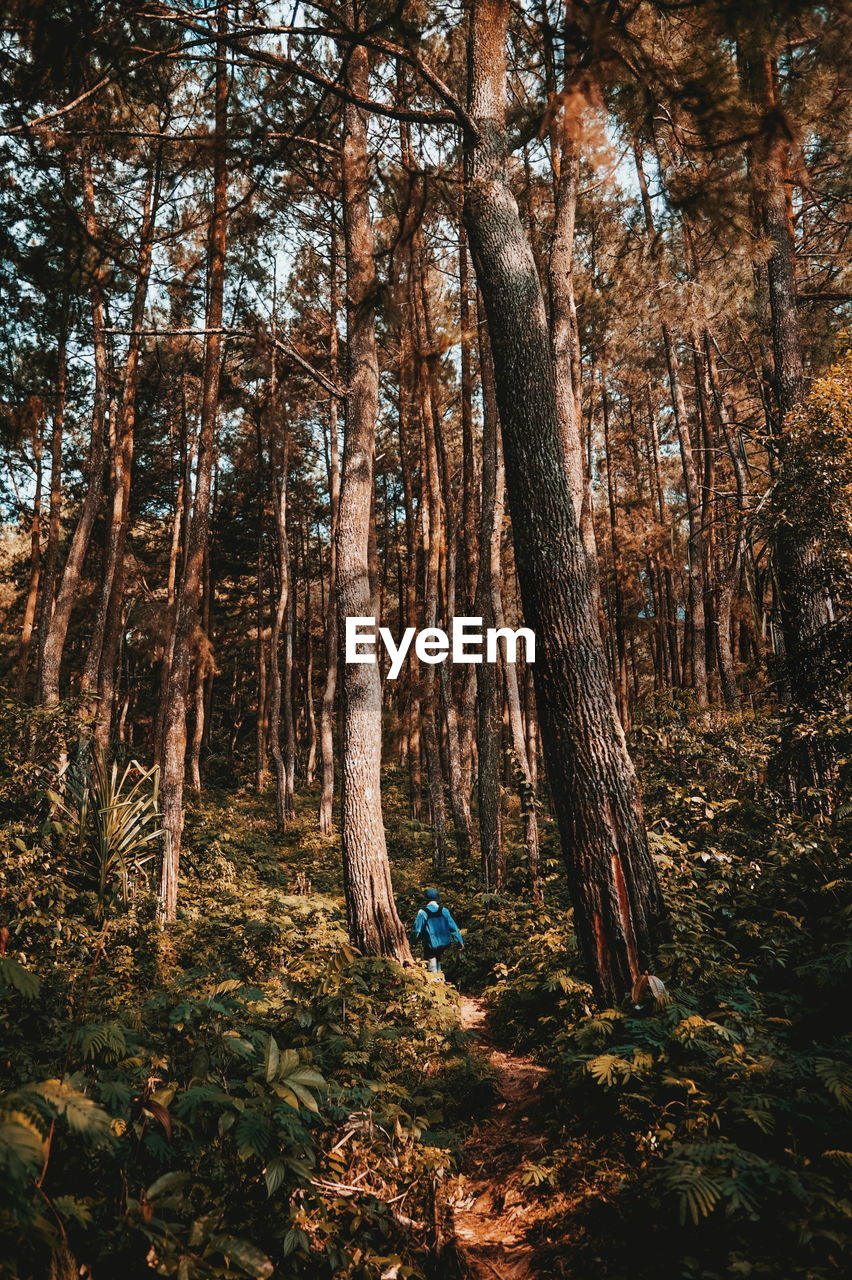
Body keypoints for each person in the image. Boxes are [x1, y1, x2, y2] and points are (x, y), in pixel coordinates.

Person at [411, 888, 464, 973]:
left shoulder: (422, 912)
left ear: (426, 899)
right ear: (437, 899)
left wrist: (413, 943)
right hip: (443, 944)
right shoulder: (444, 910)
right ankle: (440, 981)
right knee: (438, 962)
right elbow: (453, 928)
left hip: (430, 946)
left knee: (432, 968)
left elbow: (417, 931)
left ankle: (435, 983)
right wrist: (459, 941)